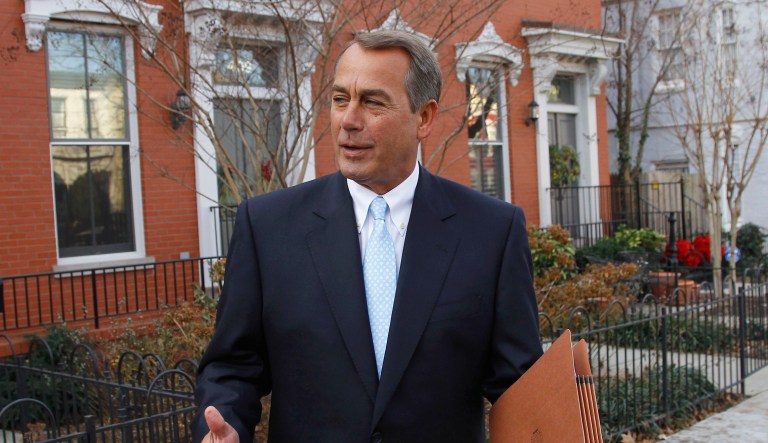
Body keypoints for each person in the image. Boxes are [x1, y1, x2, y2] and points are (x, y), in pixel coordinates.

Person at [193, 29, 542, 443]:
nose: (349, 120)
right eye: (341, 99)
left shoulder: (492, 231)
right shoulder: (268, 226)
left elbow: (520, 389)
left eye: (372, 102)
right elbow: (232, 366)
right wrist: (224, 426)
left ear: (425, 118)